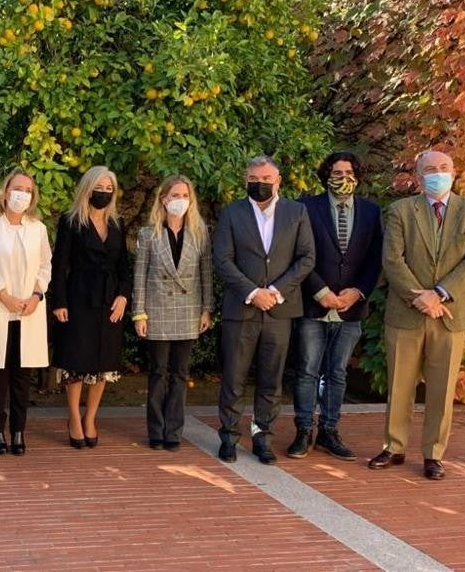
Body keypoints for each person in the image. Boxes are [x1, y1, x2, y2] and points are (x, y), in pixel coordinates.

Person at [368, 149, 465, 480]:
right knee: (400, 386)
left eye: (444, 168)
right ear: (419, 177)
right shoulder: (401, 211)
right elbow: (392, 259)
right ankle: (393, 447)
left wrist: (439, 294)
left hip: (449, 314)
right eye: (430, 169)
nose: (438, 173)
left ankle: (434, 453)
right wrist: (419, 296)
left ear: (454, 172)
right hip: (407, 313)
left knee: (441, 389)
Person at [213, 155, 315, 465]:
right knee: (234, 377)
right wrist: (252, 292)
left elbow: (306, 258)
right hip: (241, 309)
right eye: (254, 179)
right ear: (246, 180)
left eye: (266, 179)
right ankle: (229, 437)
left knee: (271, 380)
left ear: (278, 180)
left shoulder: (296, 212)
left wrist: (275, 291)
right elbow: (222, 259)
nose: (260, 184)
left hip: (279, 311)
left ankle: (262, 437)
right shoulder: (232, 213)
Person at [289, 152, 383, 461]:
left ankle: (329, 430)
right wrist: (320, 291)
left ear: (358, 175)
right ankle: (304, 430)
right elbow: (298, 253)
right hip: (314, 303)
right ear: (327, 174)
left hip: (351, 307)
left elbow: (375, 259)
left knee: (337, 372)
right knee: (306, 371)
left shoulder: (371, 212)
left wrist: (358, 292)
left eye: (349, 171)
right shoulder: (307, 207)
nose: (343, 177)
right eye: (337, 171)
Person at [49, 165, 131, 449]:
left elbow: (124, 265)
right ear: (88, 188)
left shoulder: (117, 223)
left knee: (104, 363)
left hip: (110, 301)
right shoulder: (71, 221)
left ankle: (90, 418)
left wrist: (123, 295)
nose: (104, 193)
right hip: (78, 297)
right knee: (77, 361)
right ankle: (73, 417)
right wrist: (58, 301)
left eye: (110, 189)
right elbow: (59, 265)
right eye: (100, 187)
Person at [132, 175, 212, 452]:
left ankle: (174, 430)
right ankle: (156, 429)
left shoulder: (200, 233)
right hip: (157, 311)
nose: (180, 201)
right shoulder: (148, 234)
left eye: (184, 196)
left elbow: (206, 275)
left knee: (180, 373)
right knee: (157, 372)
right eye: (174, 195)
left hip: (188, 311)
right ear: (163, 199)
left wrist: (206, 309)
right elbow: (139, 276)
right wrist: (139, 313)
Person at [0, 170, 52, 456]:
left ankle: (18, 431)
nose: (22, 194)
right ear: (6, 192)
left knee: (22, 376)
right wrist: (3, 294)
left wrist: (36, 295)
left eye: (28, 190)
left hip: (29, 310)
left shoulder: (38, 228)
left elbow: (46, 265)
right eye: (17, 188)